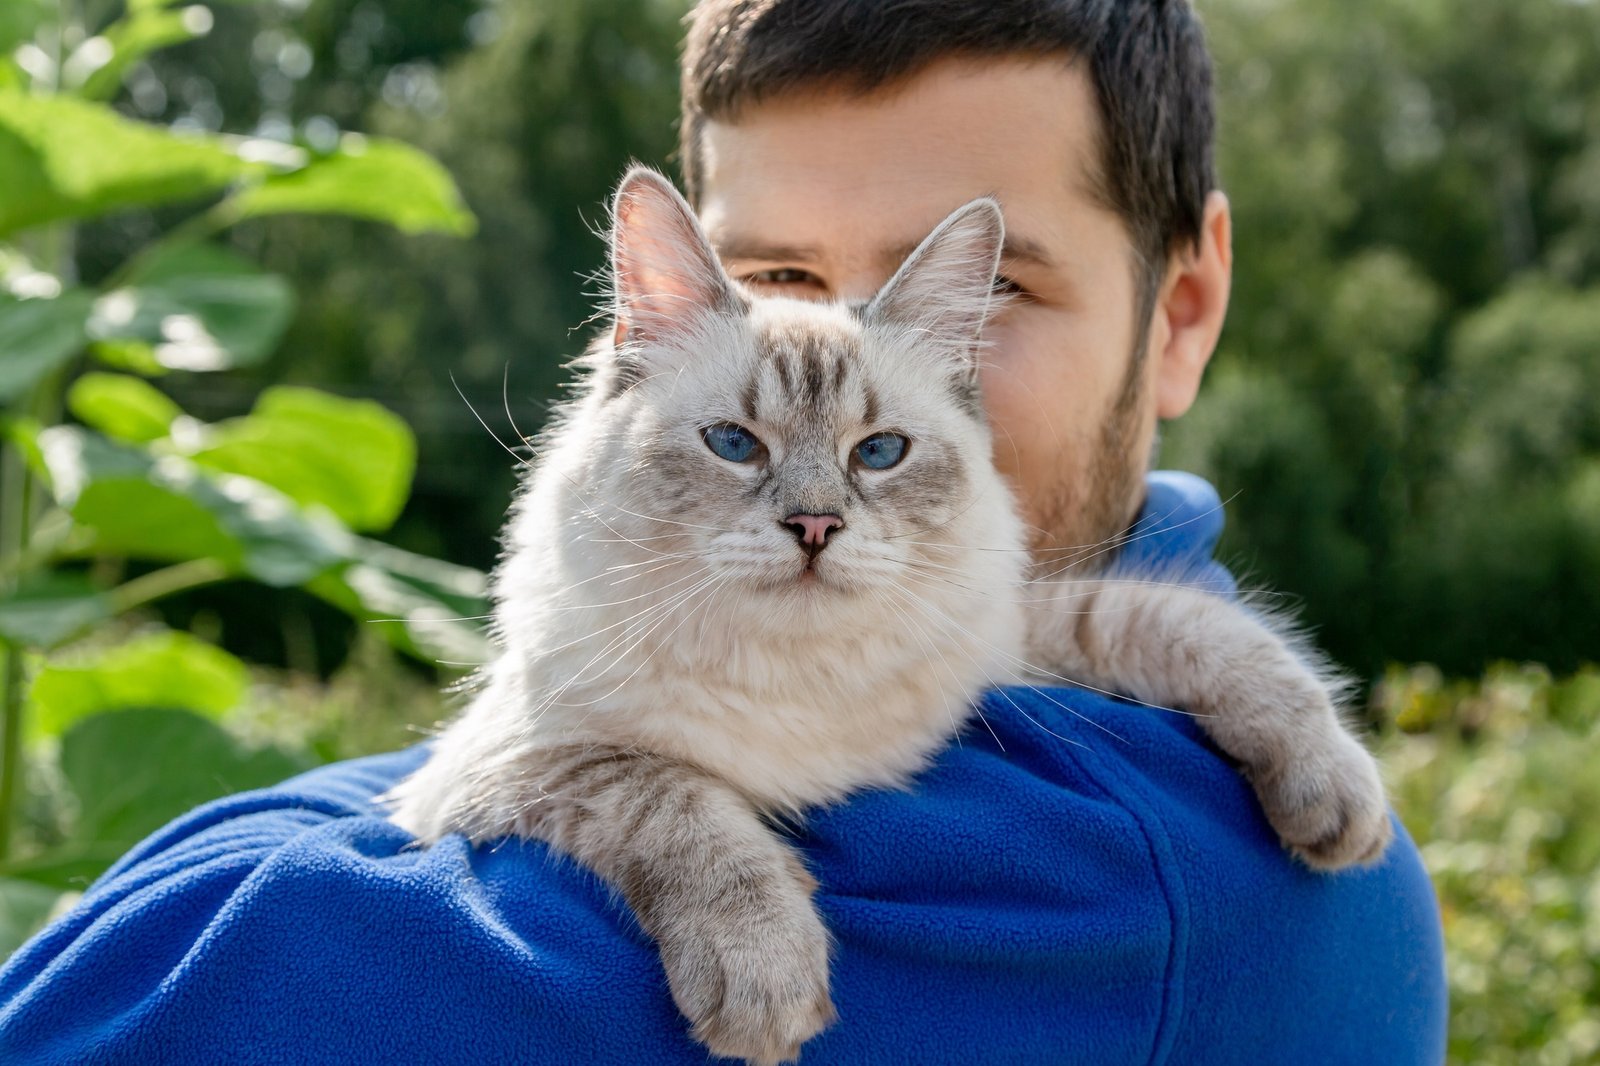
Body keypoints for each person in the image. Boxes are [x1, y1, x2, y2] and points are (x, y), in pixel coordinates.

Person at [0, 1, 1447, 1063]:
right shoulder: (1039, 588)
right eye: (772, 273)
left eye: (983, 295)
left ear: (1181, 313)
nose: (816, 516)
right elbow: (1051, 622)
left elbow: (183, 985)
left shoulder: (1119, 867)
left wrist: (660, 822)